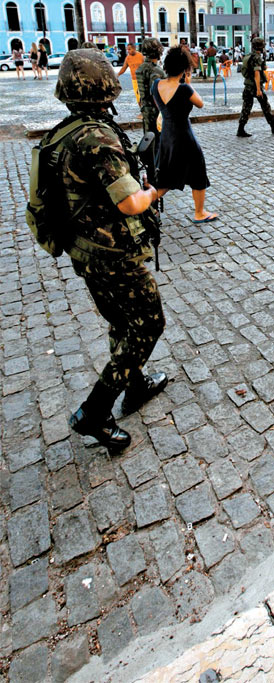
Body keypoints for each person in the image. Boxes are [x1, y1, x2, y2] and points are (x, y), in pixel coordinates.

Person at [50, 49, 166, 452]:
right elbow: (130, 202)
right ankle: (95, 412)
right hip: (113, 253)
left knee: (121, 322)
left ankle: (136, 385)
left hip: (85, 252)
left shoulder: (64, 132)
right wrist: (153, 192)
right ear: (105, 89)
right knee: (148, 324)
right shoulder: (96, 136)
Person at [152, 46, 216, 223]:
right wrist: (188, 83)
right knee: (198, 171)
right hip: (184, 135)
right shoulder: (184, 89)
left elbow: (162, 108)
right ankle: (199, 213)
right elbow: (200, 103)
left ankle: (146, 204)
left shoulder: (156, 85)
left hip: (166, 134)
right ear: (184, 68)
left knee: (166, 175)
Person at [237, 36, 274, 138]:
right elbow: (257, 73)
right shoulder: (256, 57)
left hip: (248, 85)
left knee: (246, 107)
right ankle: (273, 126)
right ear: (260, 46)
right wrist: (258, 89)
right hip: (255, 86)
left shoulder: (251, 55)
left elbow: (262, 68)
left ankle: (240, 129)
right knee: (265, 107)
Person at [136, 39, 166, 185]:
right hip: (155, 110)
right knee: (157, 142)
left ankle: (150, 170)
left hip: (145, 109)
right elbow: (156, 92)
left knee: (149, 139)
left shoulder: (141, 68)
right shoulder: (155, 70)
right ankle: (156, 173)